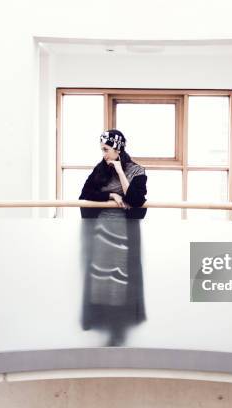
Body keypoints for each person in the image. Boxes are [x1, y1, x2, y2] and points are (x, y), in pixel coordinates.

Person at [78, 129, 147, 346]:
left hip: (124, 232)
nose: (104, 154)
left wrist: (120, 172)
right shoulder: (100, 170)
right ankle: (100, 321)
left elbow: (135, 200)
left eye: (106, 149)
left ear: (118, 148)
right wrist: (111, 194)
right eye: (102, 150)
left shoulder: (137, 171)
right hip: (102, 231)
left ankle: (118, 328)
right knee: (100, 276)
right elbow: (85, 194)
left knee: (120, 277)